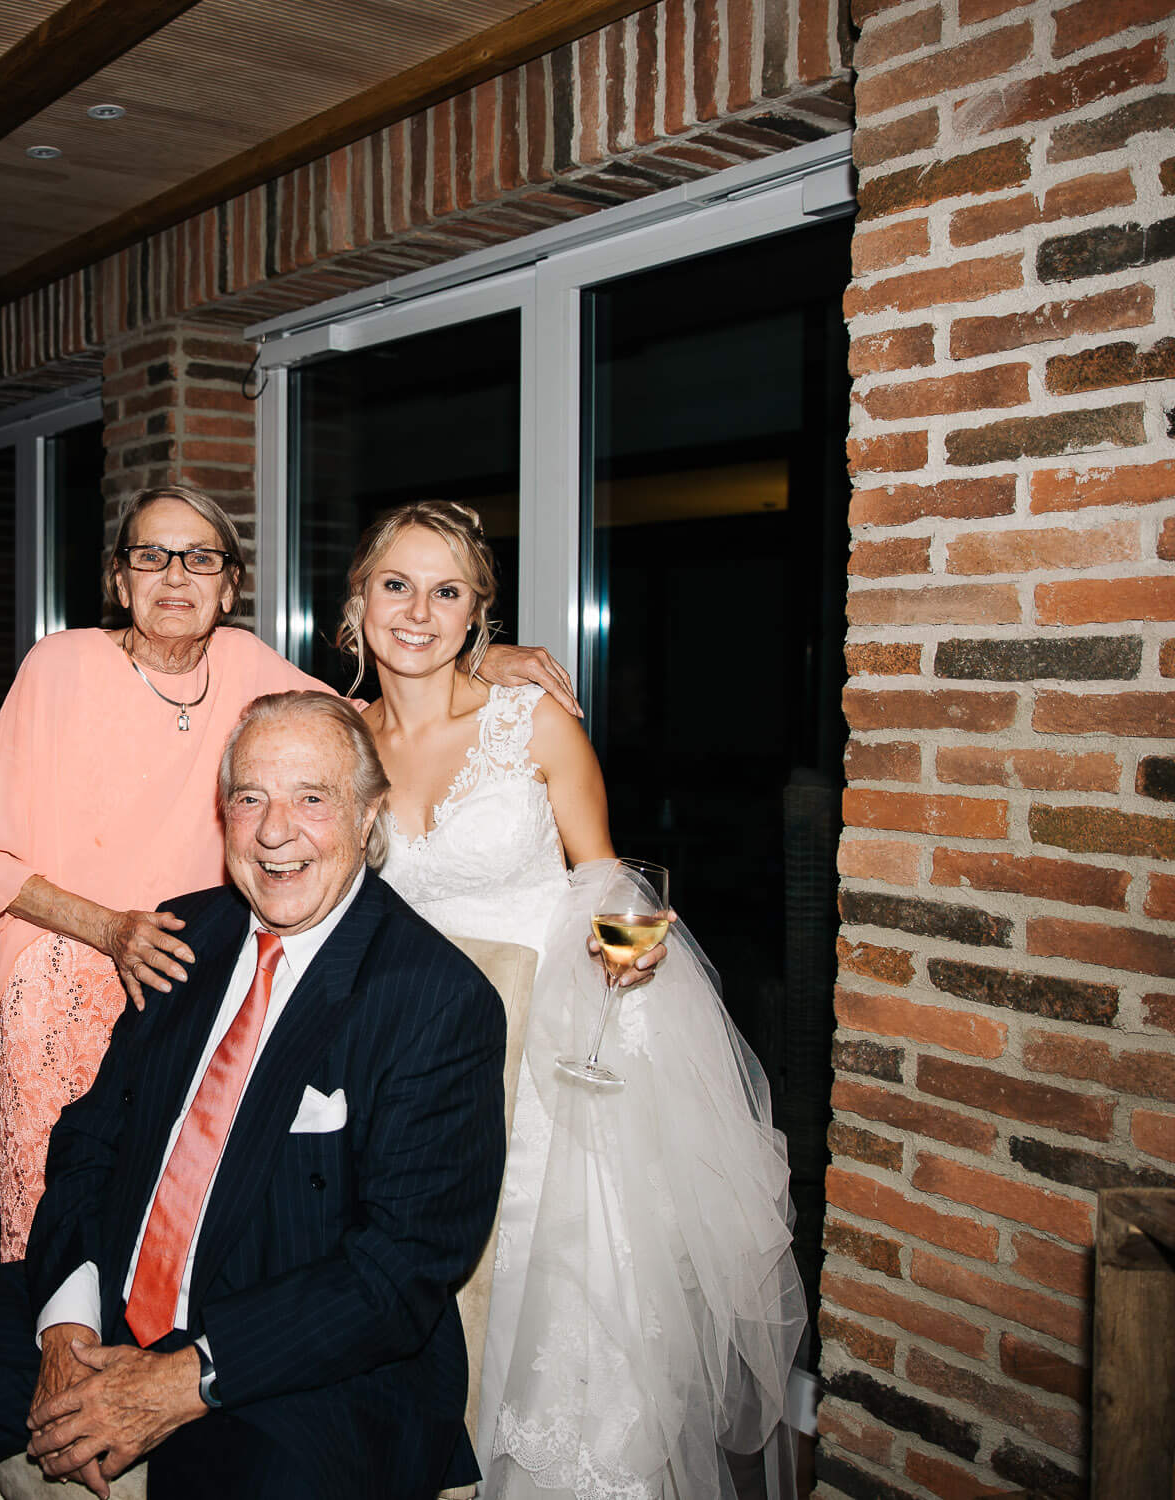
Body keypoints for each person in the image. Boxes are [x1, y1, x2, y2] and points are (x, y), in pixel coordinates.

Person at [0, 692, 507, 1500]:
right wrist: (66, 1323)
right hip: (105, 1300)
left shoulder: (437, 1000)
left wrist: (181, 1380)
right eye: (250, 798)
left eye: (312, 798)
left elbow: (395, 1274)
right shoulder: (184, 936)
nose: (275, 832)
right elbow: (89, 1140)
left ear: (369, 815)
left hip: (301, 1363)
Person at [0, 482, 574, 1259]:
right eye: (151, 556)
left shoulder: (244, 663)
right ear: (119, 579)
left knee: (165, 1213)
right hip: (65, 967)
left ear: (230, 587)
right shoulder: (60, 665)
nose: (175, 576)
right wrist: (111, 931)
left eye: (200, 558)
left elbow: (358, 718)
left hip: (188, 976)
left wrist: (479, 659)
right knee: (58, 1220)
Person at [346, 501, 804, 1500]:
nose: (417, 612)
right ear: (359, 600)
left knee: (551, 1307)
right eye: (396, 586)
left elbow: (605, 877)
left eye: (446, 591)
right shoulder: (338, 739)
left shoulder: (533, 722)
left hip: (541, 1058)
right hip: (403, 1059)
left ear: (479, 614)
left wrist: (628, 953)